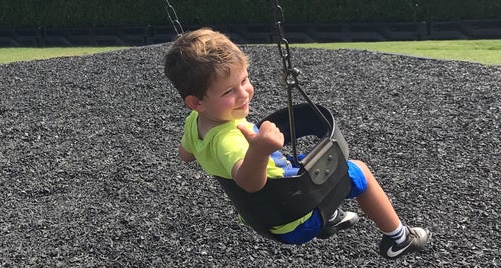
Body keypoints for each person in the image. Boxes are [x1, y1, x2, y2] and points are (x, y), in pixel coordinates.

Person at [163, 28, 430, 259]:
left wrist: (242, 152)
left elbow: (186, 155)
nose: (244, 93)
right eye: (228, 91)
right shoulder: (229, 140)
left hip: (261, 215)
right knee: (357, 169)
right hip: (292, 221)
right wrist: (259, 149)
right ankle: (399, 238)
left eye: (244, 80)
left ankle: (332, 216)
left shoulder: (195, 121)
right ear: (196, 102)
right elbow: (250, 182)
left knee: (301, 159)